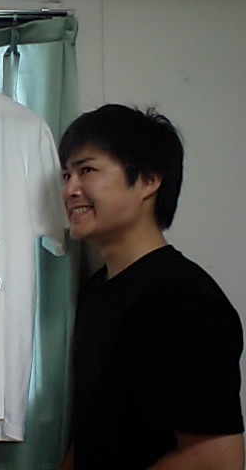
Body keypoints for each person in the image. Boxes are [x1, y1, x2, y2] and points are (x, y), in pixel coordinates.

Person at [57, 104, 244, 469]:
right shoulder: (97, 290)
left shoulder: (182, 299)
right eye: (66, 176)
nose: (70, 190)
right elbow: (96, 428)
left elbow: (217, 458)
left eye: (87, 170)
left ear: (148, 180)